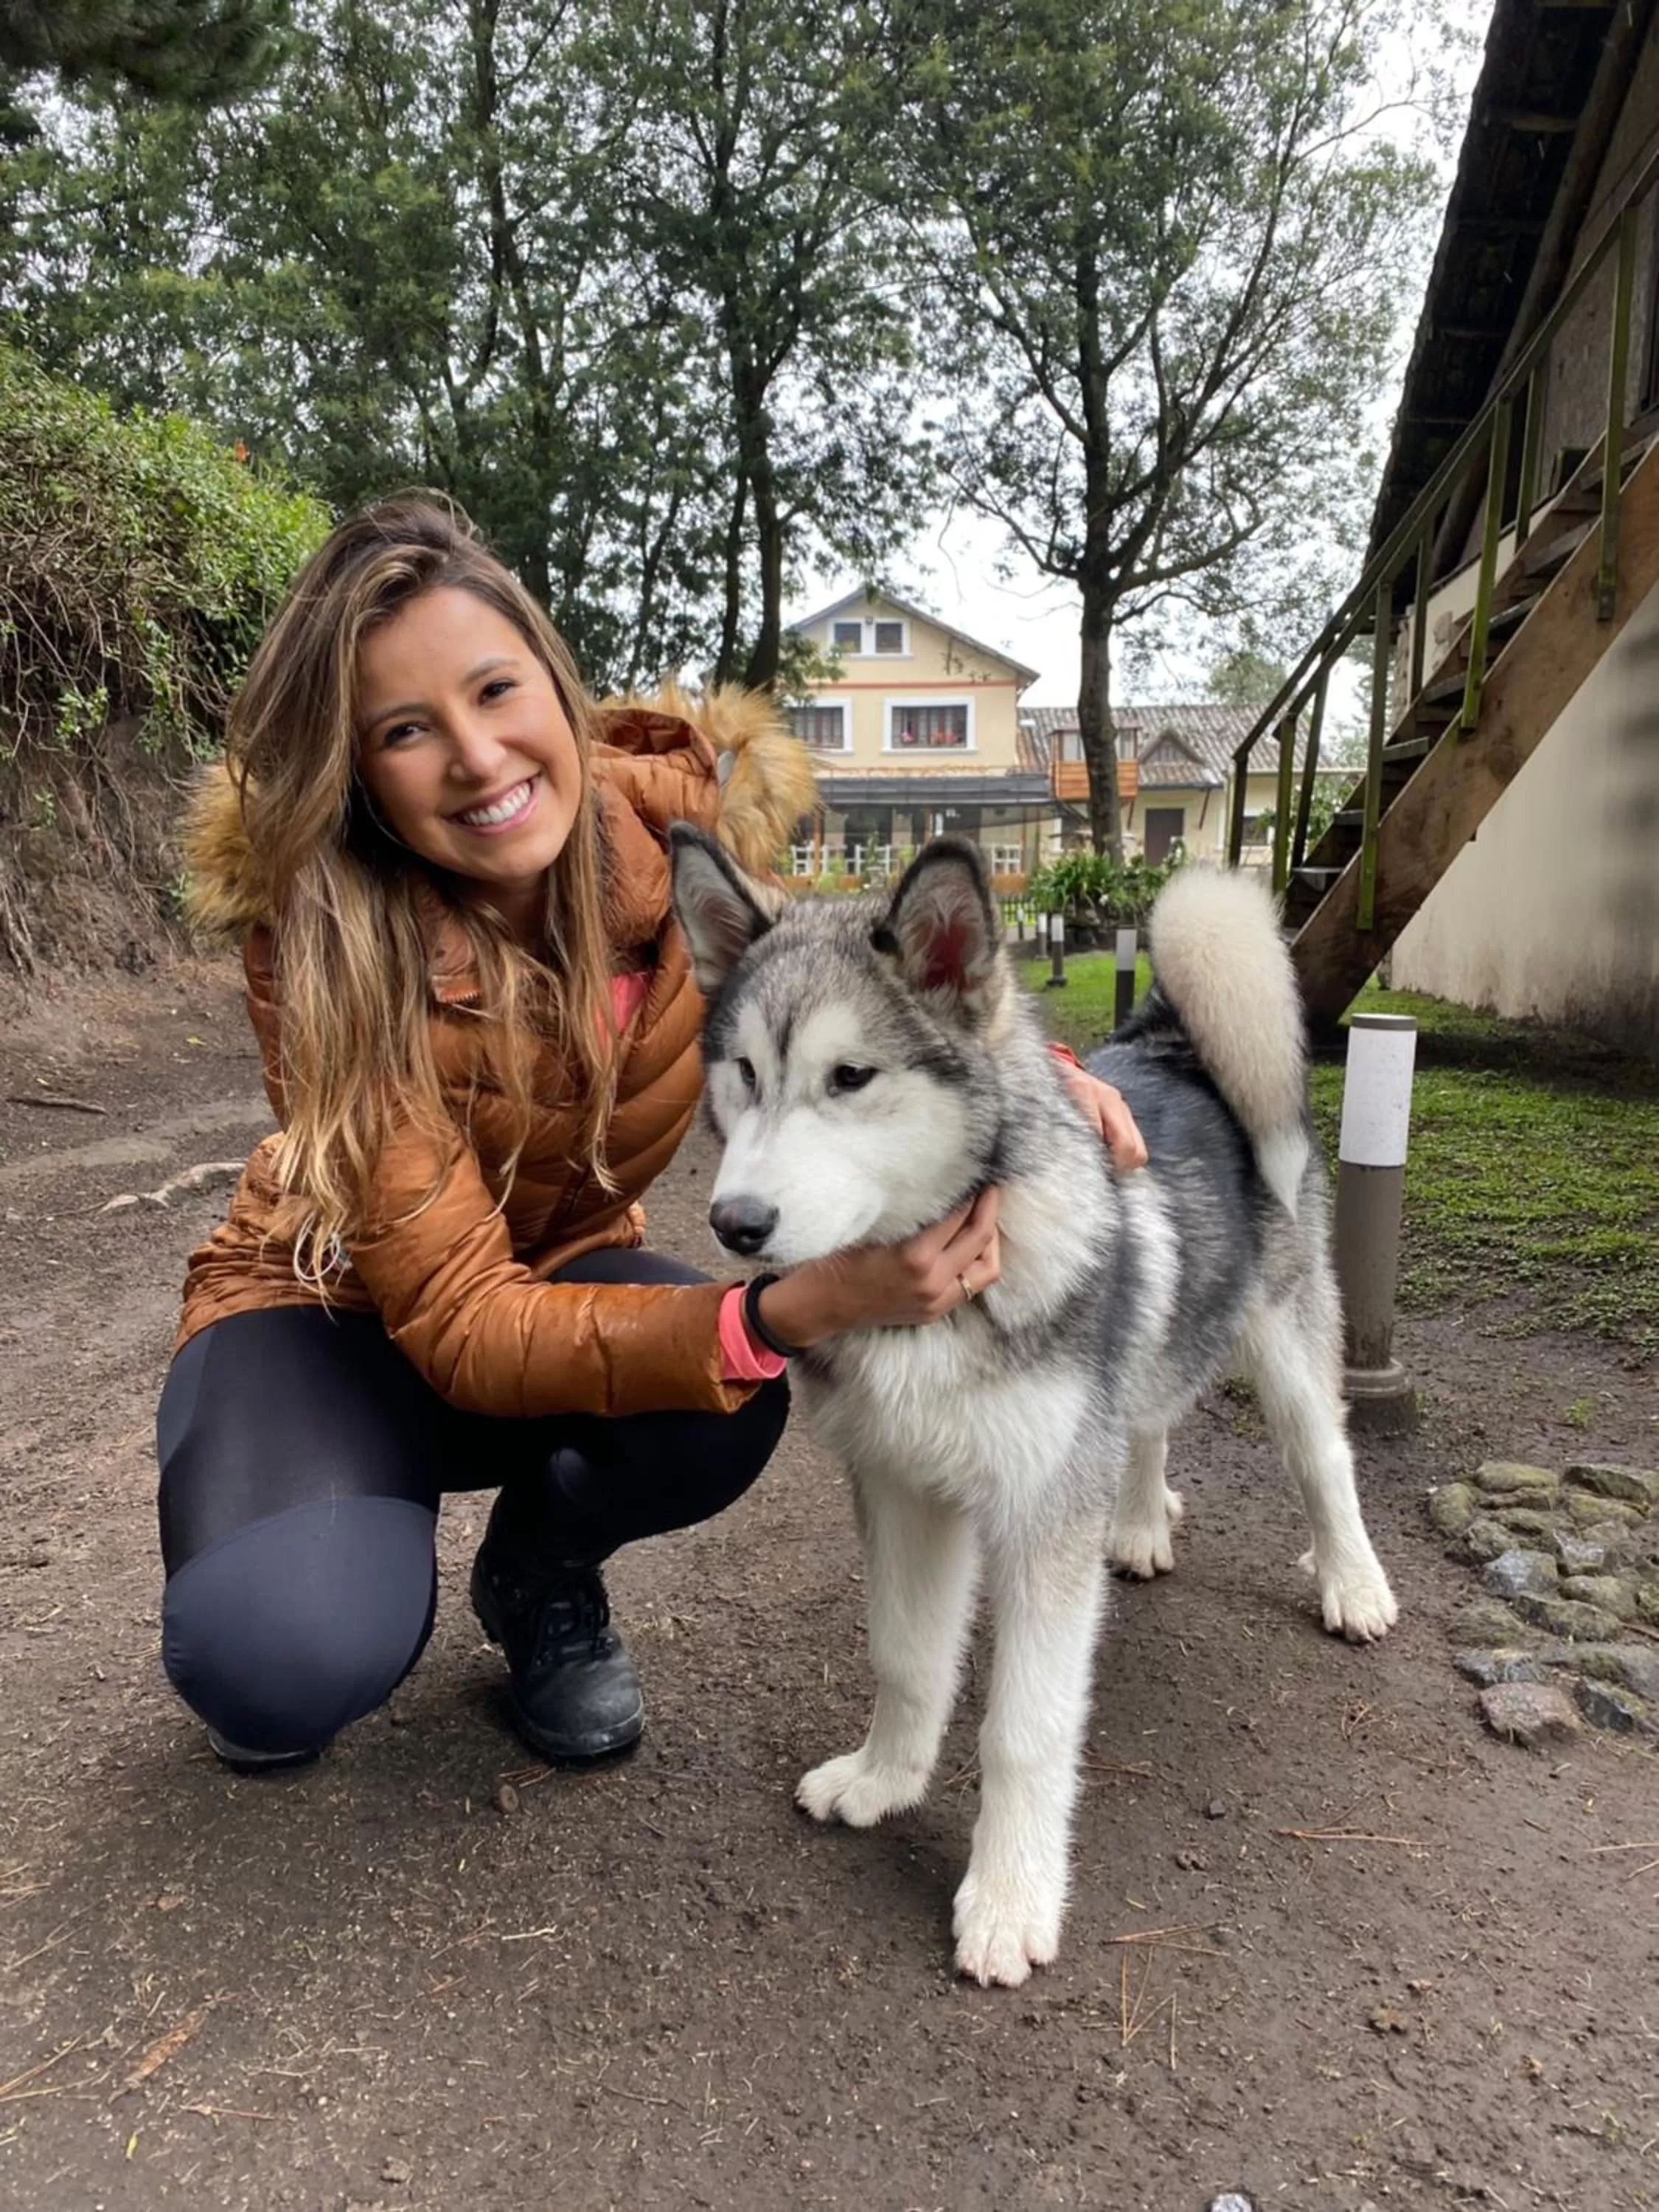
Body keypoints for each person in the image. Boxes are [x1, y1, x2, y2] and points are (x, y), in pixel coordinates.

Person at [158, 496, 1148, 1775]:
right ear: (357, 775)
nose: (475, 756)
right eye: (406, 730)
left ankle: (536, 1573)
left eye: (495, 689)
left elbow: (865, 983)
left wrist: (1033, 1067)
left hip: (553, 1263)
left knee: (720, 1407)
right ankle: (306, 1514)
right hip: (327, 1310)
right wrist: (781, 1310)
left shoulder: (676, 853)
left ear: (552, 685)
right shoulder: (325, 938)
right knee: (283, 1656)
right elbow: (459, 1315)